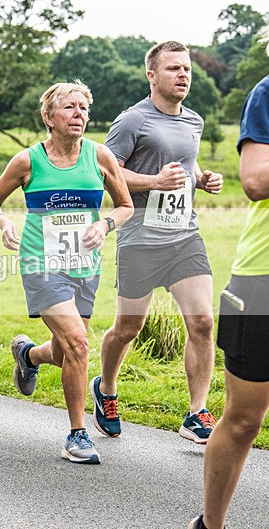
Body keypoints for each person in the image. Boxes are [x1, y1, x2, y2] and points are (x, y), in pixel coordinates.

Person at [0, 80, 133, 464]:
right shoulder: (28, 161)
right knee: (80, 345)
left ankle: (29, 355)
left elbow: (125, 206)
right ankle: (77, 435)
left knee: (69, 353)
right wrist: (3, 224)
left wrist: (105, 226)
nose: (79, 114)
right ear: (48, 117)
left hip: (85, 265)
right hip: (40, 263)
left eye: (83, 107)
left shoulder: (100, 157)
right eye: (69, 107)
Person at [91, 41, 224, 444]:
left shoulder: (195, 121)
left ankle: (195, 413)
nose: (183, 75)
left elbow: (185, 160)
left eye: (186, 69)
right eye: (173, 69)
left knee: (202, 323)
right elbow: (105, 170)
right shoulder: (133, 120)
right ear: (152, 75)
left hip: (184, 234)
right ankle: (106, 390)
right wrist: (152, 182)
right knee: (129, 328)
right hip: (140, 238)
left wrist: (201, 178)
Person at [188, 28, 269, 529]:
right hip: (262, 278)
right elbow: (256, 180)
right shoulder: (267, 93)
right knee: (243, 420)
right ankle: (210, 525)